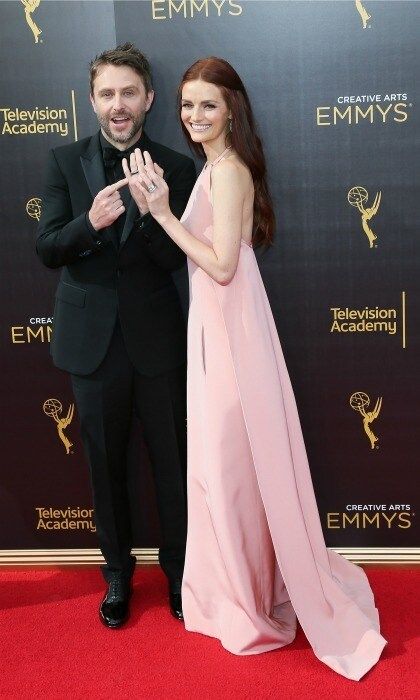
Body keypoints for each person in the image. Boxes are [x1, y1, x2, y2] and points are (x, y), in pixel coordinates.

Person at [122, 56, 387, 680]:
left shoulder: (230, 170)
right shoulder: (216, 166)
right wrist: (154, 204)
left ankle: (247, 601)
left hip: (232, 332)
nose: (194, 116)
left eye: (207, 105)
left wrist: (161, 213)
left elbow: (220, 266)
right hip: (218, 328)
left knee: (231, 468)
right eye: (186, 105)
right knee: (225, 468)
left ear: (231, 109)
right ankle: (239, 589)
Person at [36, 43, 196, 628]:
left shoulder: (178, 169)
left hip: (156, 342)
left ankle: (181, 578)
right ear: (92, 101)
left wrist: (157, 215)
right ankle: (117, 580)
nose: (119, 104)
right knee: (105, 466)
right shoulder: (62, 162)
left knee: (171, 466)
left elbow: (178, 263)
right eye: (107, 93)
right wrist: (90, 223)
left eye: (130, 92)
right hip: (92, 345)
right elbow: (49, 248)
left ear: (149, 99)